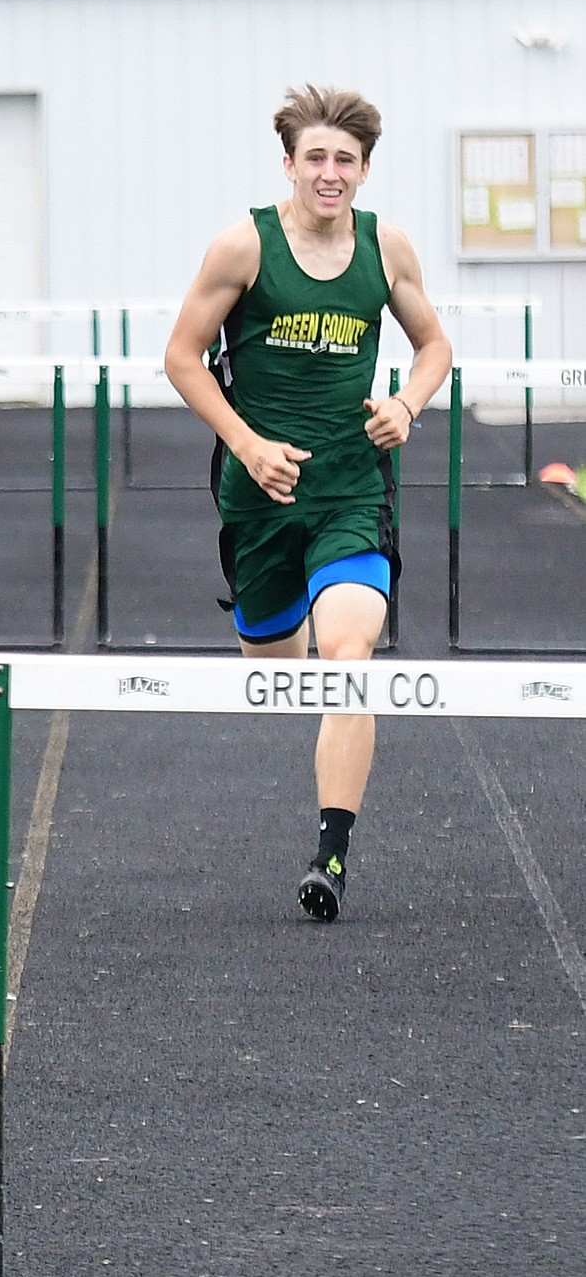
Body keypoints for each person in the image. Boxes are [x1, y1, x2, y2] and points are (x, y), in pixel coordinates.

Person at [163, 85, 453, 922]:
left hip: (351, 493)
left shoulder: (385, 249)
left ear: (364, 172)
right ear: (289, 165)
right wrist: (248, 444)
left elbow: (433, 344)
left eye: (346, 161)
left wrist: (405, 404)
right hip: (259, 501)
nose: (331, 174)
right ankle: (273, 628)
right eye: (316, 159)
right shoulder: (242, 248)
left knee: (348, 659)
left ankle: (331, 852)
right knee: (274, 667)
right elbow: (182, 357)